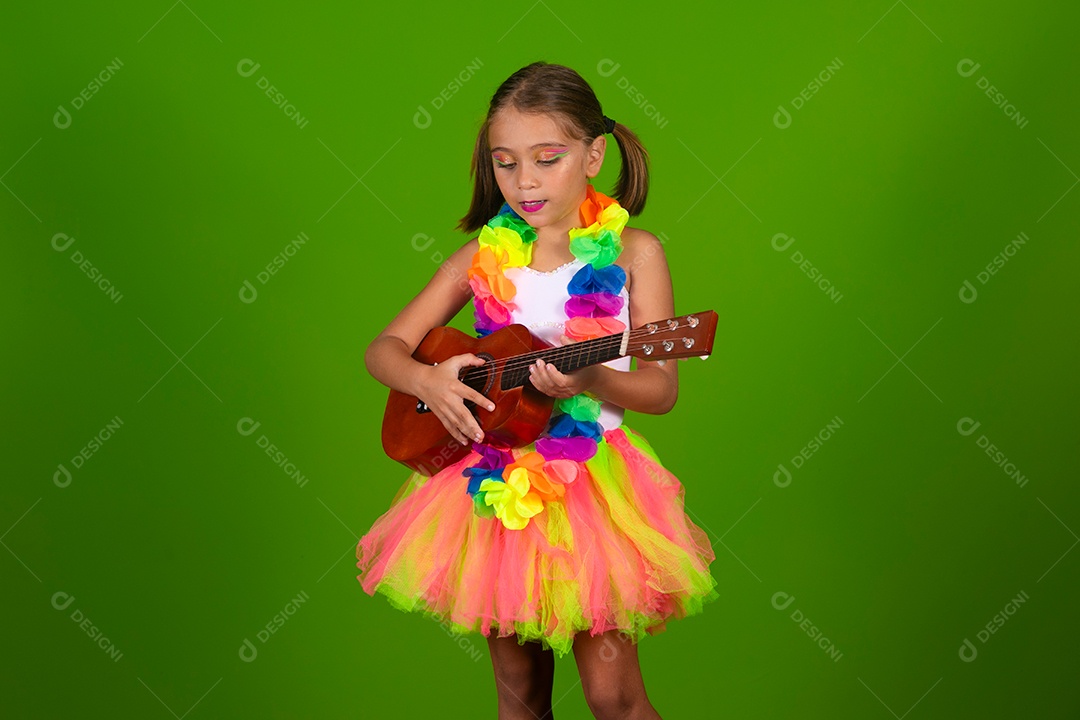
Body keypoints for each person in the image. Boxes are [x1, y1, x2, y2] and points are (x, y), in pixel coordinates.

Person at [357, 61, 719, 720]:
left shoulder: (635, 252)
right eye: (505, 162)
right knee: (519, 700)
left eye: (546, 159)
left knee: (614, 696)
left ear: (593, 155)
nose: (524, 180)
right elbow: (383, 349)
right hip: (497, 485)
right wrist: (429, 381)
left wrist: (595, 377)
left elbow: (660, 389)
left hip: (593, 485)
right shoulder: (479, 257)